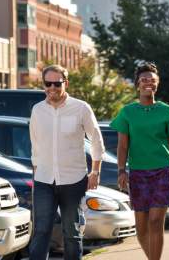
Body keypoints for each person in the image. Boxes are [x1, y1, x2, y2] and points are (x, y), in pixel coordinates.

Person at [29, 64, 105, 260]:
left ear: (66, 83)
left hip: (74, 181)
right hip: (44, 180)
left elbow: (96, 140)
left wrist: (95, 171)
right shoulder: (37, 111)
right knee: (41, 232)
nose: (52, 88)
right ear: (44, 84)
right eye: (48, 83)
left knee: (71, 234)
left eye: (57, 83)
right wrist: (36, 173)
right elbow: (35, 146)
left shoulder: (81, 108)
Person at [111, 63, 169, 260]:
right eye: (144, 80)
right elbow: (123, 146)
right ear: (137, 85)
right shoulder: (127, 112)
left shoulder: (166, 111)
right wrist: (121, 170)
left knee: (155, 221)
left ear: (157, 84)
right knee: (141, 229)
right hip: (138, 173)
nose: (148, 83)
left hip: (163, 171)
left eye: (152, 80)